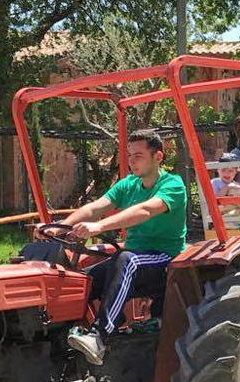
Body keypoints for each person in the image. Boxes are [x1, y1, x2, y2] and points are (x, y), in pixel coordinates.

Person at [52, 129, 187, 364]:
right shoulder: (129, 184)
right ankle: (58, 341)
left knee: (126, 260)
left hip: (163, 259)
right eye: (129, 155)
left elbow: (144, 210)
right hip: (134, 257)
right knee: (84, 280)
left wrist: (99, 227)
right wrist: (62, 226)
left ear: (158, 157)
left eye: (138, 156)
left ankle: (99, 336)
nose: (131, 161)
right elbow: (96, 207)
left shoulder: (173, 185)